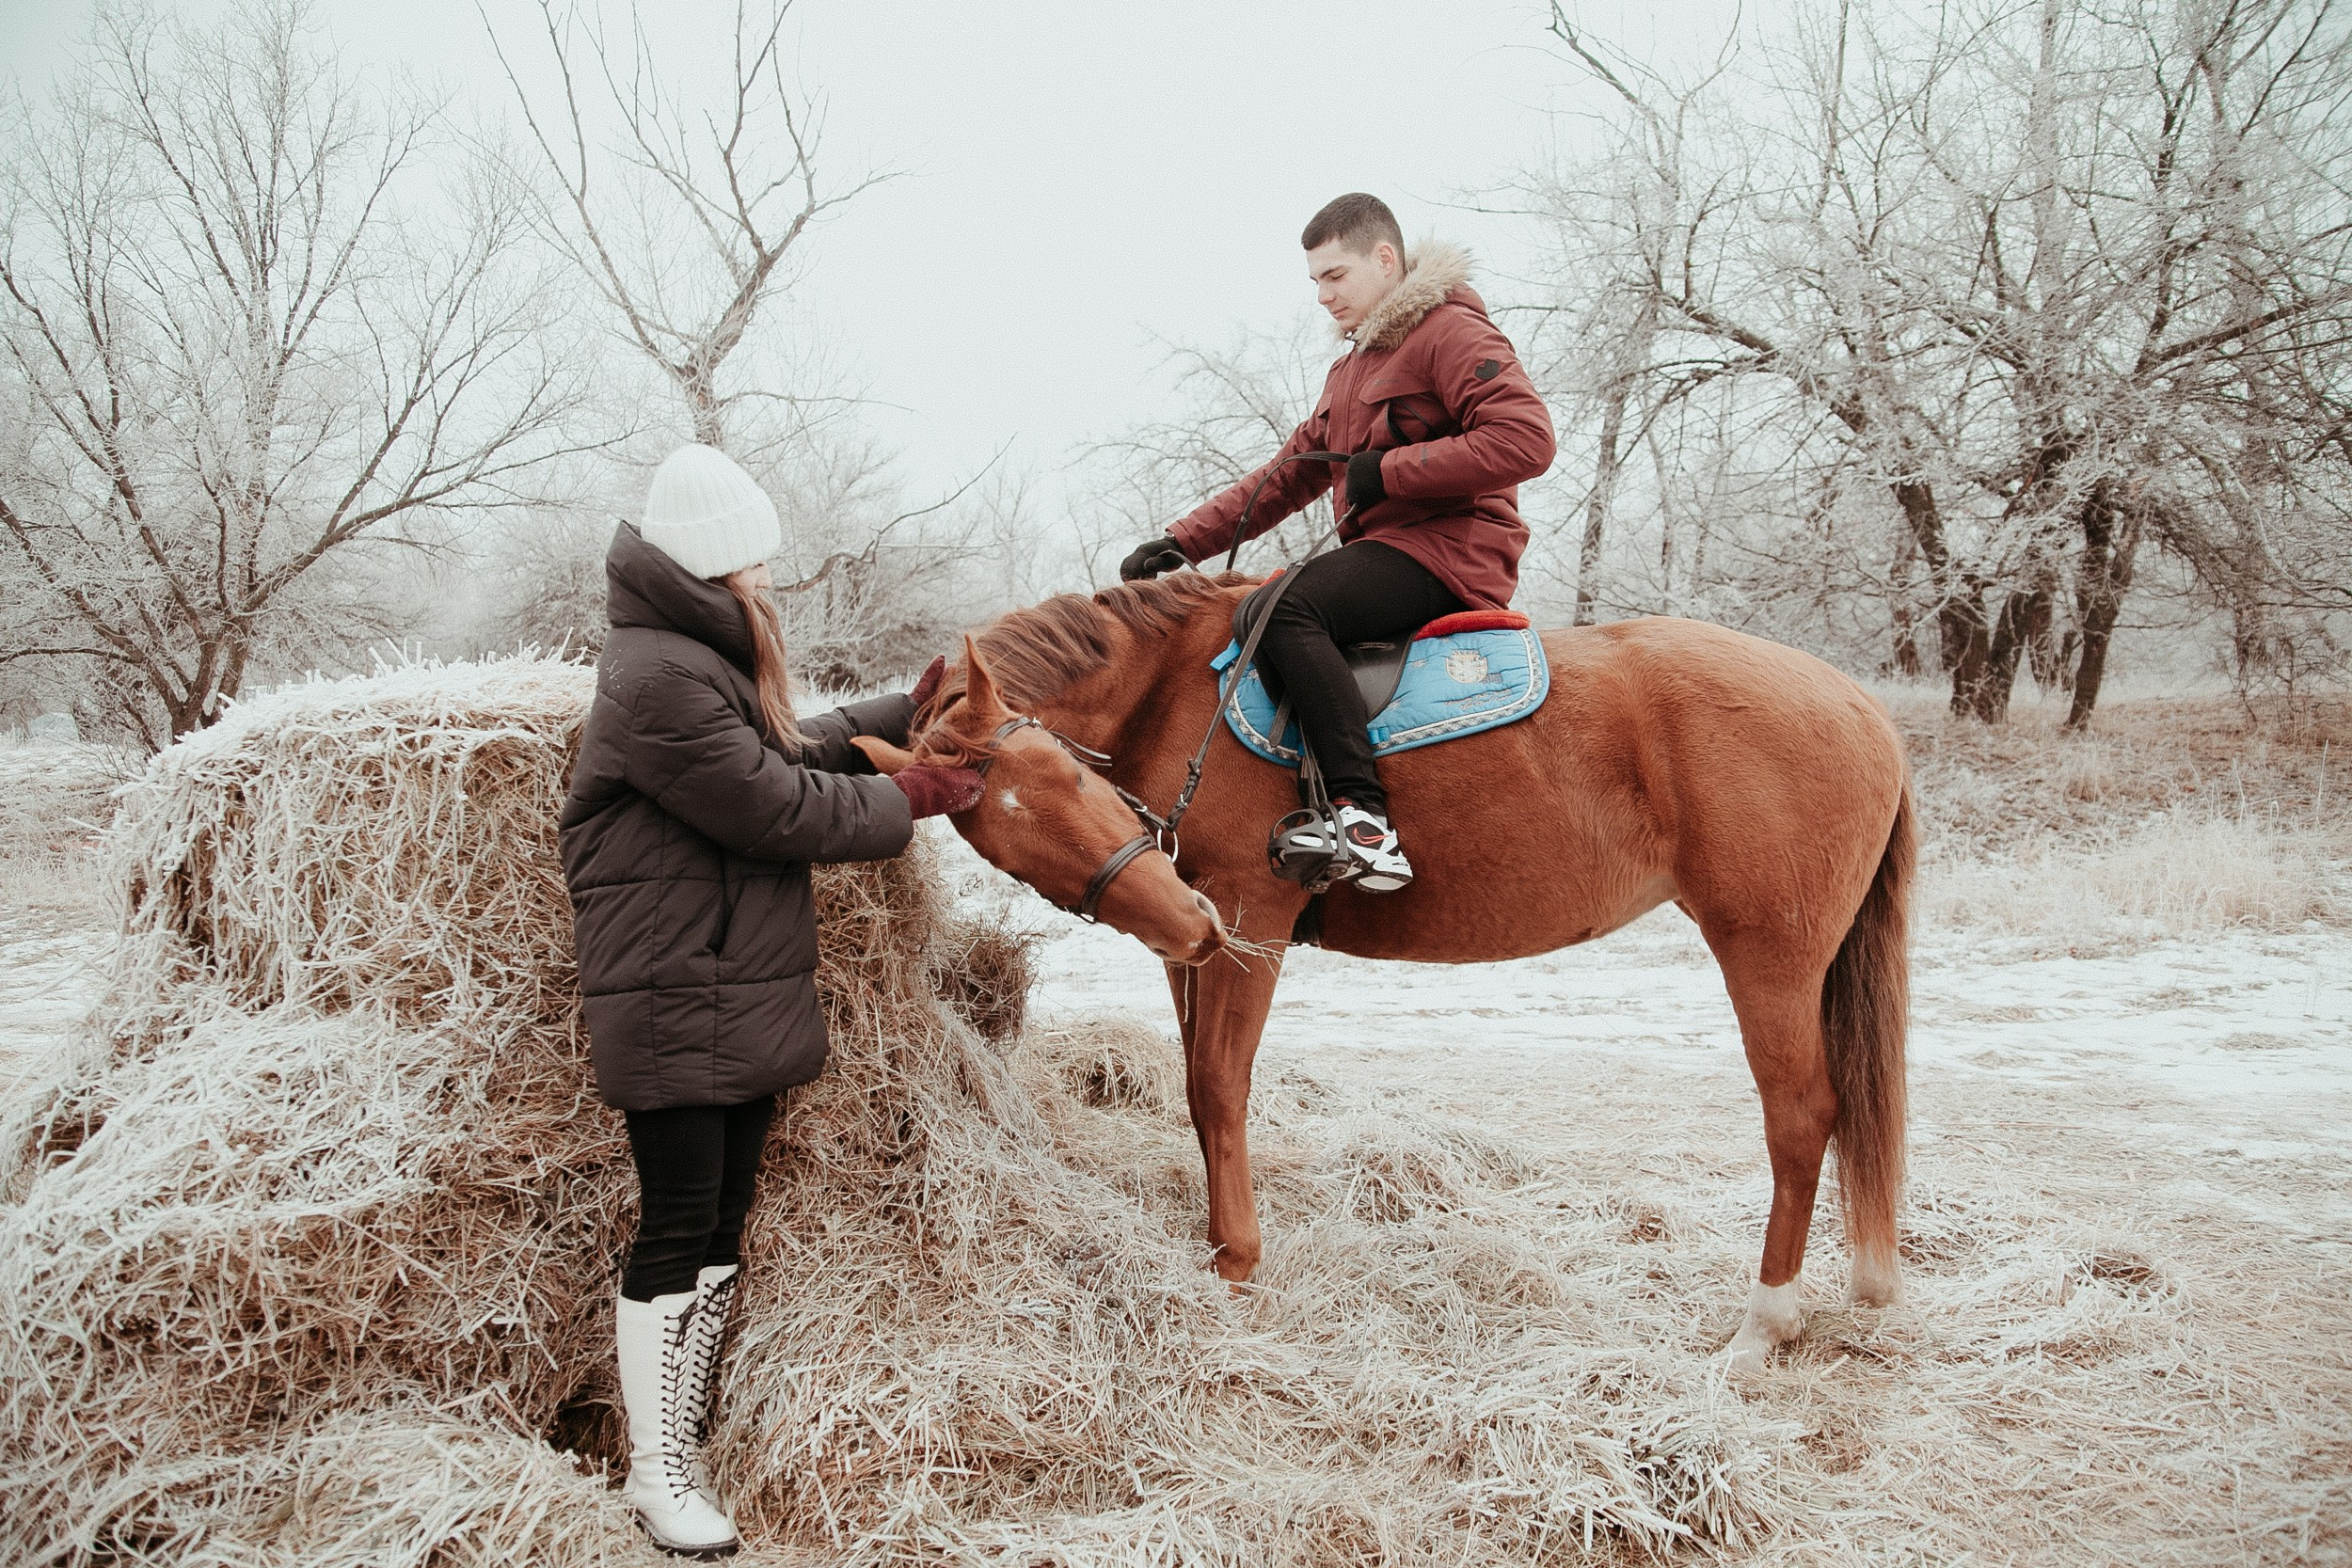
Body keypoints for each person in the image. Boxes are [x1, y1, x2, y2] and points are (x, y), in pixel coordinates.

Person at [558, 443, 981, 1558]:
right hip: (674, 981)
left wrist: (903, 705)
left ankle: (680, 1432)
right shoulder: (656, 675)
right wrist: (915, 793)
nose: (765, 580)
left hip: (722, 977)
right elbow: (777, 806)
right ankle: (658, 1475)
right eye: (748, 559)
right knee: (676, 1226)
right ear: (710, 561)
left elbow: (785, 744)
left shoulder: (693, 658)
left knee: (719, 1224)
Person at [1119, 193, 1555, 892]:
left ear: (1386, 260)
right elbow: (1284, 477)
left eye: (1335, 276)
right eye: (1314, 282)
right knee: (1258, 605)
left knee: (1283, 607)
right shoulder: (1351, 371)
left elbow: (1527, 439)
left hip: (1452, 548)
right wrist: (1179, 541)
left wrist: (1390, 470)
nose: (1322, 297)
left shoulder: (1451, 332)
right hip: (1392, 550)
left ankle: (1365, 820)